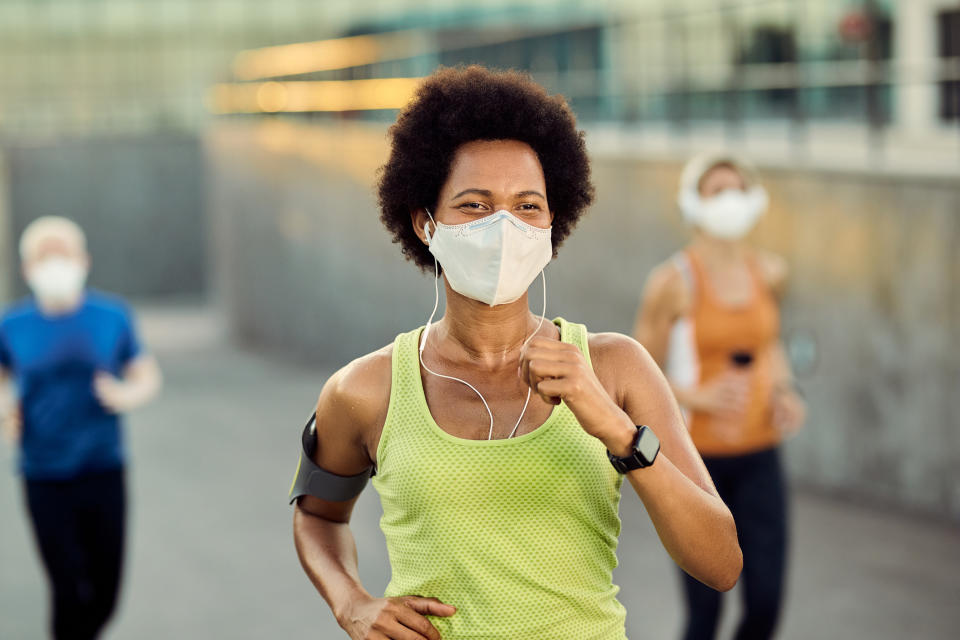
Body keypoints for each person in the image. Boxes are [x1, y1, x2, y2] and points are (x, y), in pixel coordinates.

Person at [291, 66, 742, 640]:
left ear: (553, 222)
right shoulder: (366, 389)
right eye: (475, 205)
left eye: (527, 205)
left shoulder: (614, 367)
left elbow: (721, 563)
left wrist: (619, 431)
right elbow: (317, 513)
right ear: (424, 222)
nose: (504, 226)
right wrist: (350, 602)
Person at [632, 153, 806, 640]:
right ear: (693, 203)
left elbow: (767, 344)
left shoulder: (770, 272)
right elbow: (636, 376)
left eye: (737, 189)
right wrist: (698, 396)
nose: (729, 200)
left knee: (767, 603)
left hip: (760, 453)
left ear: (755, 200)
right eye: (716, 191)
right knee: (704, 615)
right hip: (696, 462)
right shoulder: (672, 282)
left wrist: (785, 389)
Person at [0, 216, 162, 640]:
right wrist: (6, 408)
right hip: (43, 473)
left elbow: (146, 375)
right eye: (43, 255)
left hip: (103, 468)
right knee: (66, 589)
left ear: (83, 260)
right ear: (26, 268)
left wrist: (127, 394)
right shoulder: (11, 325)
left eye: (63, 253)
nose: (54, 262)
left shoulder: (111, 315)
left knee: (105, 593)